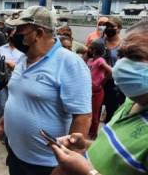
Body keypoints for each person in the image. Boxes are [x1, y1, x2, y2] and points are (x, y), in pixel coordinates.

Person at [0, 6, 92, 175]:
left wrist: (68, 162)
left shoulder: (69, 63)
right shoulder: (23, 59)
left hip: (47, 164)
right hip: (16, 152)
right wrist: (2, 123)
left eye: (20, 30)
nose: (13, 34)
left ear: (38, 33)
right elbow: (17, 97)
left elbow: (82, 116)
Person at [49, 20, 148, 175]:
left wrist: (88, 172)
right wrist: (86, 146)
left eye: (135, 56)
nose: (122, 65)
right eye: (121, 55)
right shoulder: (131, 102)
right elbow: (117, 154)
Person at [94, 17, 125, 123]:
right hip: (97, 84)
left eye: (112, 26)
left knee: (111, 113)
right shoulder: (98, 43)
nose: (108, 28)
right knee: (95, 112)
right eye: (107, 26)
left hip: (114, 85)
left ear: (119, 28)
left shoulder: (124, 45)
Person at [0, 27, 24, 120]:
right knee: (2, 104)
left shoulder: (23, 50)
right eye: (12, 35)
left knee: (14, 105)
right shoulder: (2, 48)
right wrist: (6, 62)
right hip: (3, 78)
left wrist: (15, 66)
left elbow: (25, 66)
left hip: (17, 79)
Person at [86, 42, 112, 139]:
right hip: (88, 91)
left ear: (95, 50)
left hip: (97, 92)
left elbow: (110, 71)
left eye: (90, 48)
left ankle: (93, 134)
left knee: (95, 114)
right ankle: (88, 131)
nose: (88, 49)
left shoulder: (100, 60)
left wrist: (102, 82)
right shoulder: (90, 60)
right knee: (87, 112)